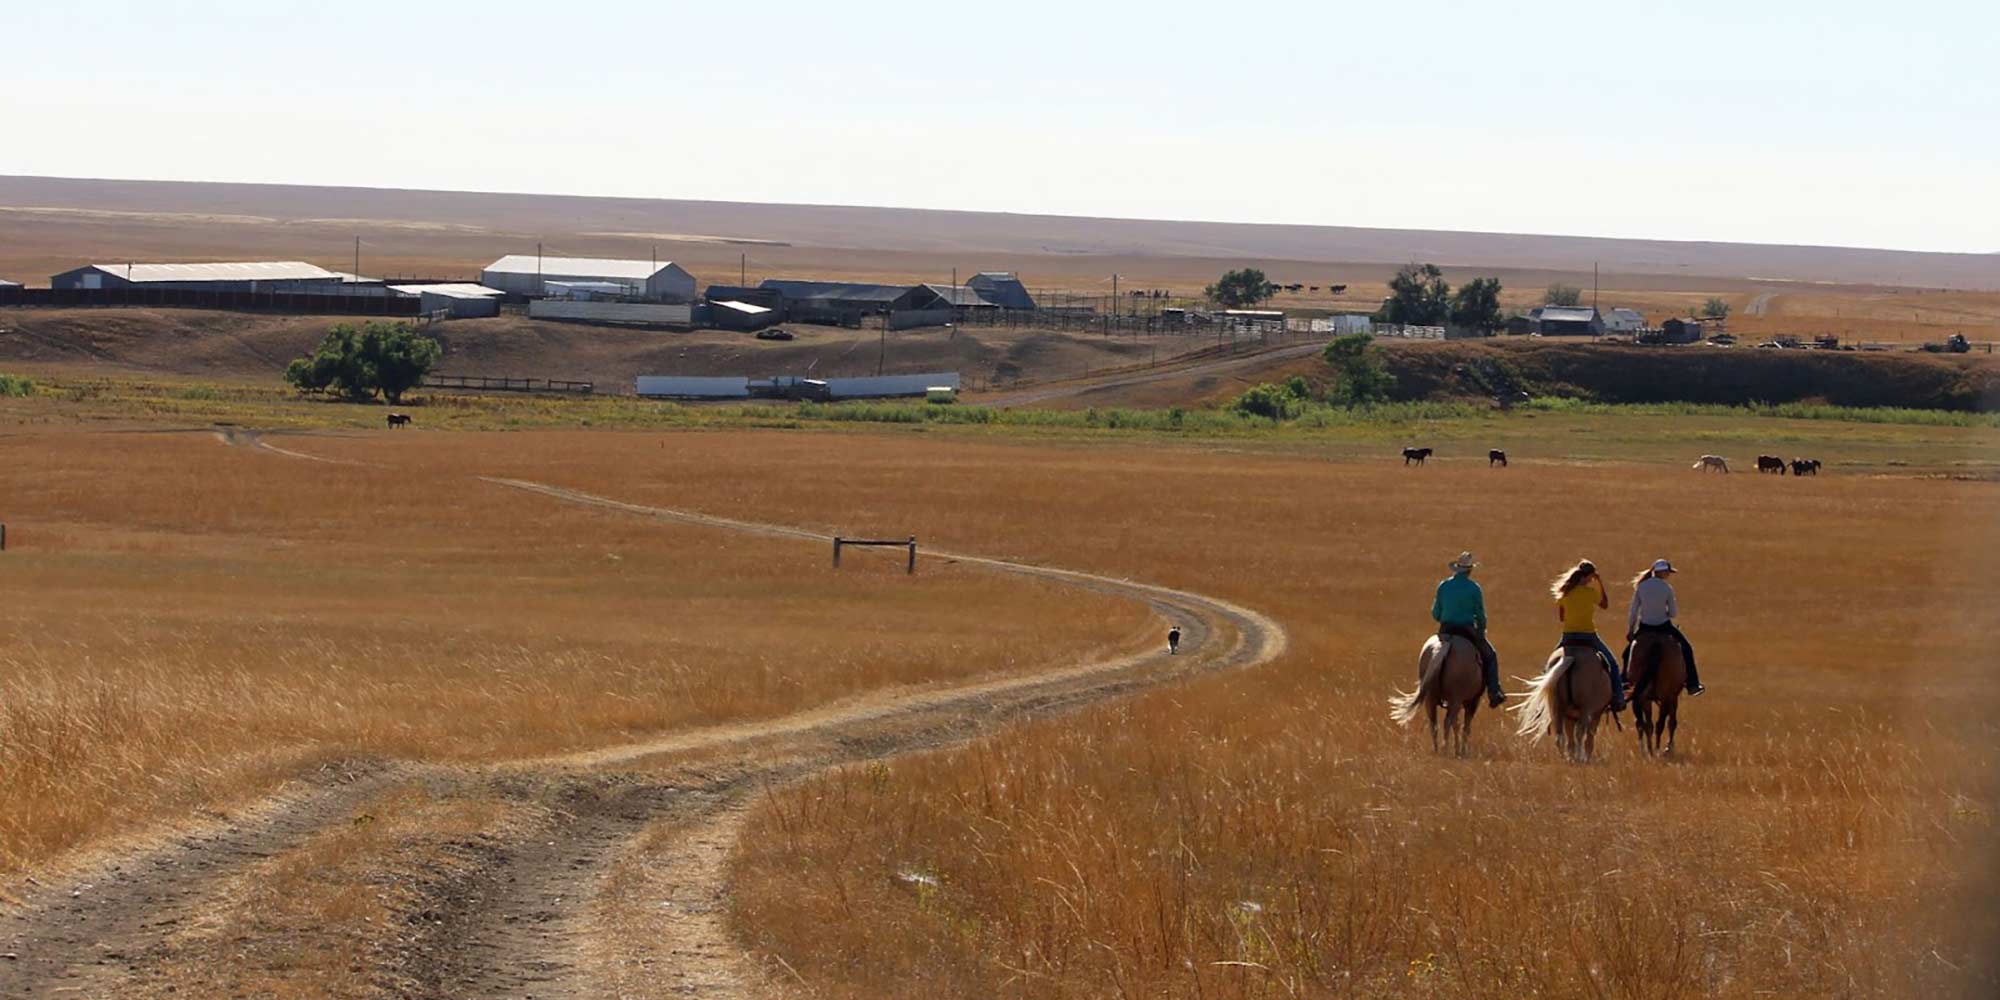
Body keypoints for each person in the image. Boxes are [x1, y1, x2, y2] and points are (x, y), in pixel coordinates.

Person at [1432, 551, 1505, 708]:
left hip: (1445, 630)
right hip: (1466, 630)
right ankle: (1494, 692)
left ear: (1457, 568)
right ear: (1470, 570)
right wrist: (1481, 630)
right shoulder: (1474, 588)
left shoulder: (1443, 586)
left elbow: (1436, 613)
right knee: (1490, 655)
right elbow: (1480, 614)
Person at [1624, 558, 1706, 697]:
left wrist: (1631, 630)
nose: (1669, 575)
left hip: (1645, 627)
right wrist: (1665, 612)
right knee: (1687, 649)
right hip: (1664, 627)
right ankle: (1693, 684)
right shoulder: (1667, 588)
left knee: (1627, 654)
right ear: (1663, 572)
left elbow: (1633, 611)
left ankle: (1624, 681)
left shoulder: (1641, 587)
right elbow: (1673, 613)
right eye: (1668, 572)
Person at [1552, 559, 1626, 711]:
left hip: (1568, 636)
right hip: (1588, 636)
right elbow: (1605, 605)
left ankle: (1542, 705)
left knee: (1549, 668)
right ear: (1588, 577)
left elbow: (1562, 618)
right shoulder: (1591, 593)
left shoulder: (1564, 593)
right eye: (1592, 578)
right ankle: (1618, 697)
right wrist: (1600, 583)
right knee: (1612, 663)